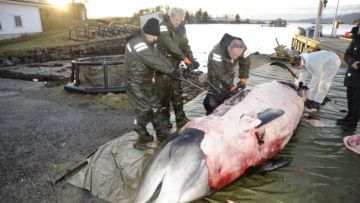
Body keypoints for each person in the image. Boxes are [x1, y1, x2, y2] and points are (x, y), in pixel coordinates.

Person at [124, 18, 180, 146]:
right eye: (154, 35)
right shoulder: (137, 43)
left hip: (147, 81)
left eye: (157, 35)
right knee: (144, 109)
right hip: (134, 83)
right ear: (146, 32)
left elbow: (160, 57)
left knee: (156, 106)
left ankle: (162, 134)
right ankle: (141, 133)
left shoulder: (151, 43)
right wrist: (170, 71)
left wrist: (174, 70)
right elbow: (153, 60)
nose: (156, 38)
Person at [155, 7, 200, 129]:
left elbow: (185, 44)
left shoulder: (181, 27)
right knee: (163, 94)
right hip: (162, 64)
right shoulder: (162, 26)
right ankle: (164, 119)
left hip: (175, 64)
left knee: (177, 92)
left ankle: (180, 117)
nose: (178, 22)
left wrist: (191, 59)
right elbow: (171, 46)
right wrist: (185, 59)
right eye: (176, 20)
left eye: (181, 20)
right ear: (170, 16)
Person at [203, 33, 250, 115]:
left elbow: (245, 64)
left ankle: (226, 107)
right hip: (215, 69)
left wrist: (243, 79)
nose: (236, 58)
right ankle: (212, 111)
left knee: (228, 86)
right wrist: (232, 86)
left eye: (237, 56)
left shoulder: (244, 49)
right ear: (228, 48)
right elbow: (220, 73)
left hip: (229, 67)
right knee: (217, 86)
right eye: (234, 55)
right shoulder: (217, 53)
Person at [336, 24, 360, 130]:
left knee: (357, 100)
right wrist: (353, 62)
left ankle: (353, 123)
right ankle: (348, 117)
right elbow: (347, 54)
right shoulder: (355, 40)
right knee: (350, 97)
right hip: (352, 73)